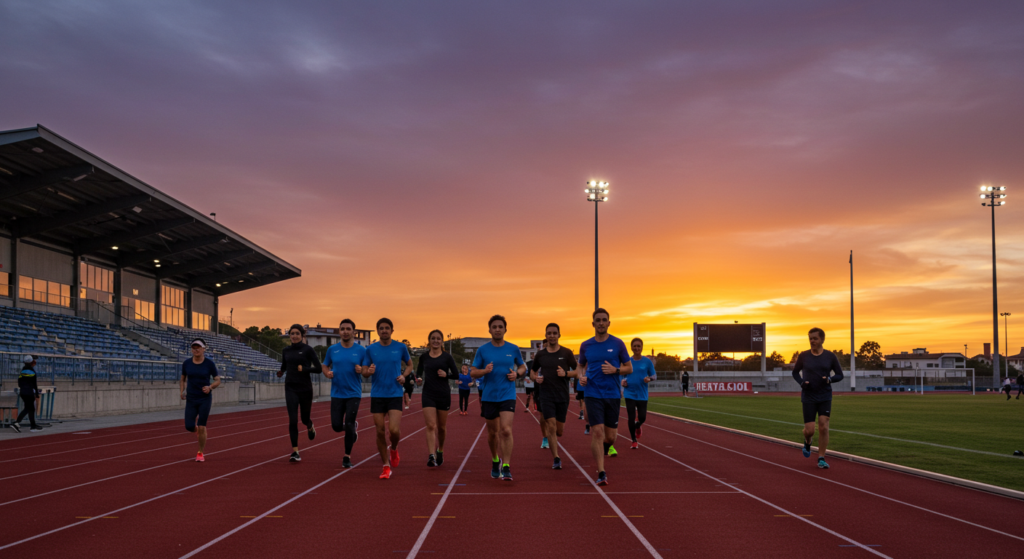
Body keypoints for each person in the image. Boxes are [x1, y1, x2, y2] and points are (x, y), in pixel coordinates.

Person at [578, 308, 632, 486]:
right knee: (597, 432)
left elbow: (629, 368)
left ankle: (606, 448)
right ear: (593, 324)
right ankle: (601, 472)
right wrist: (581, 377)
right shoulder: (586, 345)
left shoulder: (618, 344)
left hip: (612, 395)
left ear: (609, 323)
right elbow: (580, 367)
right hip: (593, 394)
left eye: (604, 320)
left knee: (610, 437)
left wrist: (615, 370)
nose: (601, 323)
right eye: (598, 320)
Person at [470, 314, 526, 481]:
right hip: (489, 396)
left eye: (500, 327)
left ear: (505, 329)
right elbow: (473, 372)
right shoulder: (483, 350)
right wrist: (484, 371)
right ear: (489, 330)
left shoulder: (513, 348)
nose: (497, 329)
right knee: (493, 433)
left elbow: (523, 366)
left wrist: (518, 374)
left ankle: (507, 465)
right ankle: (495, 460)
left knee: (506, 430)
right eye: (494, 327)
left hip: (507, 395)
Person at [361, 318, 414, 479]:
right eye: (381, 328)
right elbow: (364, 371)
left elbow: (410, 365)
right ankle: (385, 466)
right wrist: (368, 371)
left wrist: (404, 376)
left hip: (395, 394)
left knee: (394, 431)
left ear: (392, 330)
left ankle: (394, 449)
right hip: (377, 394)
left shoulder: (400, 347)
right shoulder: (370, 349)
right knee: (379, 431)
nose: (384, 330)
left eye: (387, 328)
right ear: (377, 331)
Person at [792, 327, 844, 469]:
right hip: (808, 396)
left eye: (815, 338)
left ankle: (821, 457)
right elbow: (795, 373)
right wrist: (802, 382)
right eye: (810, 338)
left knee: (824, 426)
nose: (812, 341)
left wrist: (829, 379)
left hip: (825, 395)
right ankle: (807, 442)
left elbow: (840, 375)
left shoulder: (830, 356)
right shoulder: (804, 356)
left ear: (822, 339)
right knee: (810, 430)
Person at [530, 323, 578, 469]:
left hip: (562, 396)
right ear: (546, 335)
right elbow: (532, 372)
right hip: (546, 395)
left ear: (559, 335)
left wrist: (566, 374)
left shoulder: (566, 353)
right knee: (550, 427)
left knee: (559, 431)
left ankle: (555, 443)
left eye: (554, 333)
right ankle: (556, 458)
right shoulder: (541, 355)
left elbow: (577, 371)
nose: (551, 336)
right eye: (549, 333)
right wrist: (535, 378)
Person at [323, 319, 367, 468]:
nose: (345, 331)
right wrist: (327, 373)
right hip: (337, 393)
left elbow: (367, 368)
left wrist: (362, 370)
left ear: (353, 332)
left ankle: (346, 457)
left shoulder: (361, 350)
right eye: (342, 329)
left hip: (353, 393)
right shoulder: (332, 349)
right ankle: (352, 427)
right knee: (336, 426)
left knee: (348, 423)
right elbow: (324, 365)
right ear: (339, 331)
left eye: (348, 329)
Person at [278, 324, 323, 462]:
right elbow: (284, 366)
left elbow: (319, 369)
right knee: (292, 420)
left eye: (297, 333)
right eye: (292, 333)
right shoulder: (286, 350)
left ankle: (310, 426)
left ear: (302, 335)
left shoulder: (308, 350)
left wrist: (305, 369)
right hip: (290, 388)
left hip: (305, 388)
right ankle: (295, 452)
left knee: (304, 419)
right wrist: (280, 372)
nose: (294, 336)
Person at [417, 330, 459, 467]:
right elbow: (418, 374)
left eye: (438, 339)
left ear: (442, 341)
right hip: (428, 393)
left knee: (441, 427)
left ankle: (440, 450)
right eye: (433, 338)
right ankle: (431, 455)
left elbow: (456, 375)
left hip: (443, 394)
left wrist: (446, 375)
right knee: (431, 425)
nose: (435, 341)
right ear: (429, 340)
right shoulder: (423, 357)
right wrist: (417, 379)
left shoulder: (447, 357)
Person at [178, 339, 220, 461]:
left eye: (198, 348)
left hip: (204, 398)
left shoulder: (209, 364)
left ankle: (200, 452)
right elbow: (183, 379)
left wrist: (210, 387)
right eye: (193, 348)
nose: (196, 350)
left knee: (202, 426)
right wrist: (182, 391)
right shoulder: (186, 363)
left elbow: (218, 380)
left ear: (203, 349)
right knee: (189, 426)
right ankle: (197, 431)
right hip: (191, 398)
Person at [622, 338, 655, 450]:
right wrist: (622, 381)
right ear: (631, 347)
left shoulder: (647, 361)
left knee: (642, 417)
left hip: (642, 394)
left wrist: (649, 379)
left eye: (638, 346)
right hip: (629, 393)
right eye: (634, 346)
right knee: (631, 417)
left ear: (641, 348)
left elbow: (654, 376)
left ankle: (638, 426)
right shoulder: (627, 361)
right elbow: (621, 374)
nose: (636, 348)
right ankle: (633, 440)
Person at [11, 355, 42, 433]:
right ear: (32, 362)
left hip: (22, 392)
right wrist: (37, 394)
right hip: (29, 392)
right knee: (28, 408)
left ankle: (33, 425)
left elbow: (19, 382)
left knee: (30, 408)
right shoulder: (32, 371)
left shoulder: (23, 370)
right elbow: (34, 384)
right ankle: (16, 423)